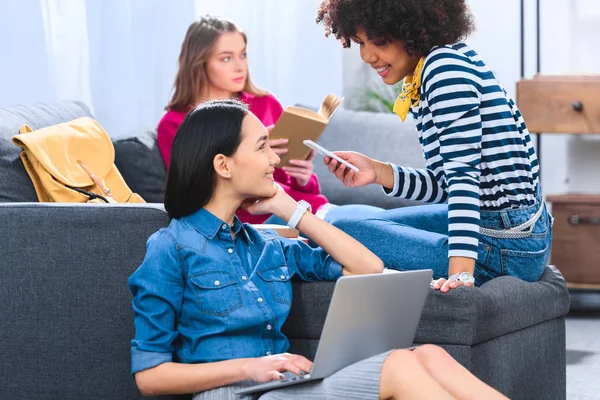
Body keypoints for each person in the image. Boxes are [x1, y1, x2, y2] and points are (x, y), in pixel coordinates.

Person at [129, 100, 508, 400]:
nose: (275, 160)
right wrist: (249, 367)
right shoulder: (171, 247)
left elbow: (367, 267)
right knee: (399, 368)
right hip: (231, 392)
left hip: (283, 387)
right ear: (223, 165)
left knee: (428, 355)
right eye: (263, 147)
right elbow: (150, 376)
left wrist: (289, 208)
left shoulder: (267, 245)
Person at [316, 0, 553, 293]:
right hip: (507, 232)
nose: (367, 55)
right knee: (353, 220)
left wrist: (461, 277)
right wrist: (377, 171)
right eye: (360, 42)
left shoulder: (443, 71)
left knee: (341, 232)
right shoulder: (439, 65)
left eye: (378, 41)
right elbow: (447, 185)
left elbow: (464, 181)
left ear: (413, 30)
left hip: (506, 246)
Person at [157, 16, 380, 225]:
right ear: (199, 63)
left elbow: (305, 190)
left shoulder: (265, 103)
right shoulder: (177, 124)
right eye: (226, 58)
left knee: (386, 220)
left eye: (242, 55)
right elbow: (197, 193)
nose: (239, 66)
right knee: (372, 228)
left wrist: (303, 178)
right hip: (270, 221)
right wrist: (252, 151)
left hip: (312, 207)